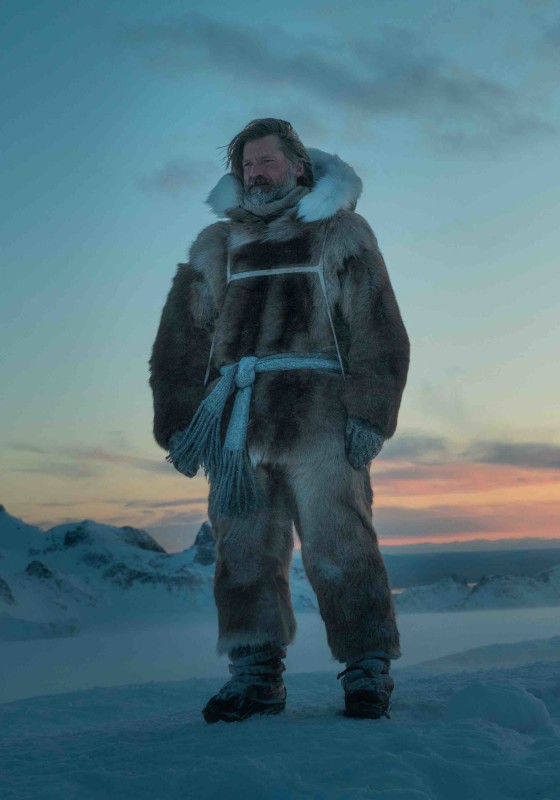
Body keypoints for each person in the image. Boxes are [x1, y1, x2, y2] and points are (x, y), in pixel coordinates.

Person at [149, 119, 409, 721]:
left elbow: (379, 330)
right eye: (246, 166)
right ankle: (255, 674)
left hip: (320, 419)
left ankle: (368, 668)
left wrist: (371, 414)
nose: (255, 174)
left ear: (297, 165)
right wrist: (179, 420)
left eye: (266, 161)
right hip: (238, 426)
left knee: (340, 542)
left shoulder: (338, 234)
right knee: (242, 549)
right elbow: (181, 341)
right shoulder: (218, 246)